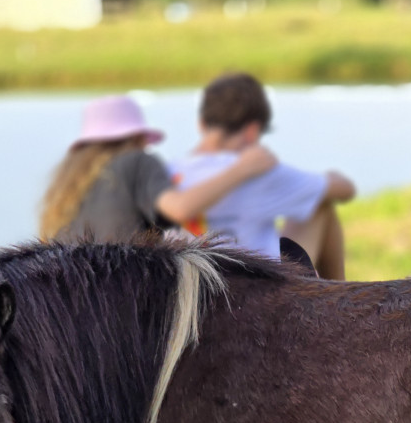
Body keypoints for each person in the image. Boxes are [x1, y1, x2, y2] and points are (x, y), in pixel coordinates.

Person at [171, 73, 356, 280]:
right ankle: (337, 301)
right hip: (260, 293)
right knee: (319, 205)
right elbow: (345, 189)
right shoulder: (257, 172)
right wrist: (331, 175)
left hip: (194, 290)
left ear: (202, 124)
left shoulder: (169, 172)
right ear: (252, 131)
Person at [39, 94, 275, 243]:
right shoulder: (137, 161)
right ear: (137, 136)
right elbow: (180, 209)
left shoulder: (68, 181)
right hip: (122, 292)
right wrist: (242, 169)